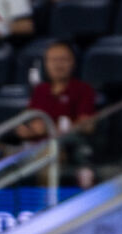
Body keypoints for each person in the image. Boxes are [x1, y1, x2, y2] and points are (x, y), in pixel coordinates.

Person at [20, 41, 98, 178]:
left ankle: (45, 199)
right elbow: (27, 122)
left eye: (63, 60)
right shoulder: (40, 90)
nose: (58, 64)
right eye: (53, 60)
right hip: (31, 147)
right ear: (46, 63)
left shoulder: (83, 89)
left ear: (73, 62)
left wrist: (49, 128)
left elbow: (87, 126)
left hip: (63, 147)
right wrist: (27, 130)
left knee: (48, 154)